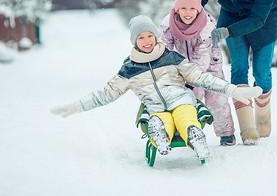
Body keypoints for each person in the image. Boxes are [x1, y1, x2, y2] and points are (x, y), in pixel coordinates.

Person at [50, 15, 262, 161]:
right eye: (141, 37)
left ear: (155, 36)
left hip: (181, 100)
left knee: (185, 114)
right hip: (155, 107)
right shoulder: (129, 69)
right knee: (161, 119)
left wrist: (233, 90)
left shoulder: (171, 57)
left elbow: (201, 78)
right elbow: (105, 95)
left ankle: (195, 136)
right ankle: (160, 136)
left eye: (149, 35)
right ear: (134, 41)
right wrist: (76, 107)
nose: (147, 41)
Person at [197, 0, 277, 145]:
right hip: (232, 14)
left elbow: (257, 19)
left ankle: (262, 116)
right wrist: (187, 15)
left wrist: (226, 32)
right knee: (239, 68)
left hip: (264, 22)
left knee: (261, 73)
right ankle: (247, 127)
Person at [160, 0, 236, 146]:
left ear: (198, 9)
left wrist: (191, 78)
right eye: (183, 8)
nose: (188, 12)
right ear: (177, 9)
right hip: (184, 70)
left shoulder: (206, 26)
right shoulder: (169, 25)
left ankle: (226, 134)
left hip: (210, 68)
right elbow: (165, 50)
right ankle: (190, 131)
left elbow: (202, 57)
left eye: (192, 8)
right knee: (190, 99)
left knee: (217, 100)